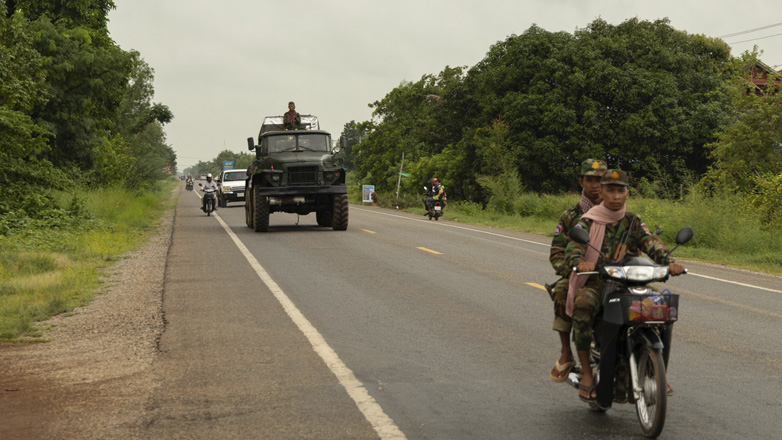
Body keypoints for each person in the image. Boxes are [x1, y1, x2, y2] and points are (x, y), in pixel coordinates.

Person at [564, 170, 684, 402]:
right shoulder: (588, 220)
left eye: (621, 190)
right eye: (610, 190)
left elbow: (652, 243)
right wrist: (579, 261)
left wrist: (669, 261)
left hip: (630, 282)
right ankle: (586, 372)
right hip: (598, 282)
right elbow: (573, 249)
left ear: (628, 193)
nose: (616, 196)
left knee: (662, 306)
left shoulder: (633, 222)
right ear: (602, 192)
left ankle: (657, 371)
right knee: (583, 304)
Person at [547, 159, 607, 382]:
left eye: (600, 180)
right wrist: (573, 270)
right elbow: (557, 252)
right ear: (581, 181)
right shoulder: (571, 216)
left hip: (613, 276)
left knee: (653, 302)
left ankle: (653, 367)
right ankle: (566, 353)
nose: (595, 185)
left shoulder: (618, 213)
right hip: (579, 276)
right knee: (562, 291)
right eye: (590, 179)